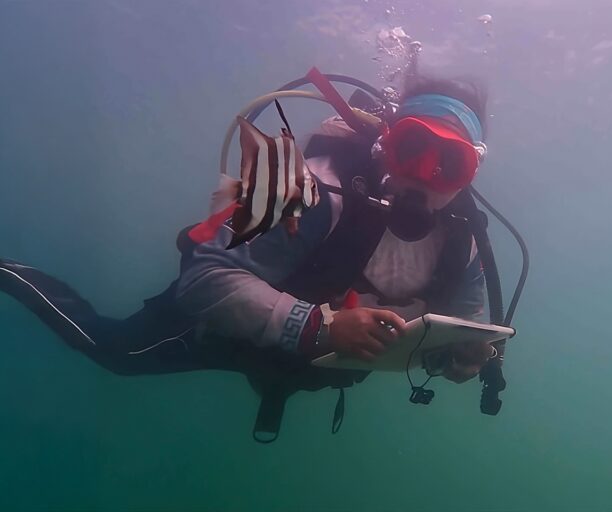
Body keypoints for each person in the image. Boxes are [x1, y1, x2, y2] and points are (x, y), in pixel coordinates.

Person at [0, 70, 499, 438]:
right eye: (411, 147)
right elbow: (203, 275)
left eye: (450, 164)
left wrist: (462, 358)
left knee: (277, 379)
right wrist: (320, 326)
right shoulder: (303, 187)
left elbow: (463, 319)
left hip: (305, 367)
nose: (423, 175)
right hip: (221, 329)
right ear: (385, 143)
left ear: (471, 175)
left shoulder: (465, 245)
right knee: (114, 352)